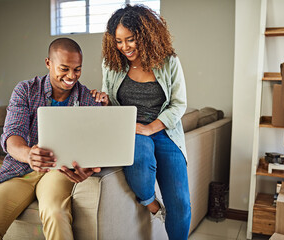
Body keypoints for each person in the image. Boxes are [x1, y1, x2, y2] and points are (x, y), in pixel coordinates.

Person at [0, 38, 102, 240]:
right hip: (20, 169)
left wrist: (87, 166)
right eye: (64, 68)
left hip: (59, 170)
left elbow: (94, 144)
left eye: (77, 69)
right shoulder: (25, 90)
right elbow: (12, 135)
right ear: (48, 63)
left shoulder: (87, 99)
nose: (71, 76)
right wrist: (28, 154)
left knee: (56, 214)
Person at [93, 4, 191, 239]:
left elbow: (179, 104)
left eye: (130, 39)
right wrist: (103, 101)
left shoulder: (168, 62)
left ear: (146, 35)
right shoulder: (112, 64)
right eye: (118, 41)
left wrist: (150, 128)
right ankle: (151, 205)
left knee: (180, 201)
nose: (124, 47)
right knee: (140, 158)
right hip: (129, 130)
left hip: (164, 130)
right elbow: (112, 101)